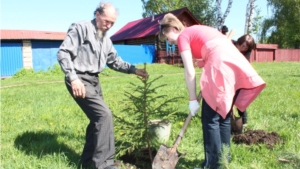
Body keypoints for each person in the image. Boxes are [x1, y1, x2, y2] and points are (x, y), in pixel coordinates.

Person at [158, 13, 266, 169]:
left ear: (175, 28)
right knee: (223, 116)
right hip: (230, 63)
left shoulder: (183, 37)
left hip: (219, 64)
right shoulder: (194, 30)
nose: (170, 42)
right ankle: (223, 161)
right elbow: (205, 51)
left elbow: (189, 71)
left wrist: (192, 99)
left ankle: (212, 165)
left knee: (210, 119)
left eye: (168, 38)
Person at [57, 3, 148, 169]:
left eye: (113, 23)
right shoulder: (81, 28)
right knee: (104, 116)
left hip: (94, 81)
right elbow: (63, 53)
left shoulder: (106, 39)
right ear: (97, 14)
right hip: (79, 79)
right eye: (107, 21)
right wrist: (73, 78)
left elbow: (114, 61)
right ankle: (105, 164)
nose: (109, 25)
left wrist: (134, 70)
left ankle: (87, 162)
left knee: (96, 121)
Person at [232, 34, 256, 128]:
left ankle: (244, 121)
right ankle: (227, 117)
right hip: (227, 74)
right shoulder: (231, 44)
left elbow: (243, 63)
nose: (244, 48)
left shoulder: (247, 52)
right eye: (242, 46)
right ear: (239, 42)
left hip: (239, 76)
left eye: (246, 48)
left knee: (238, 99)